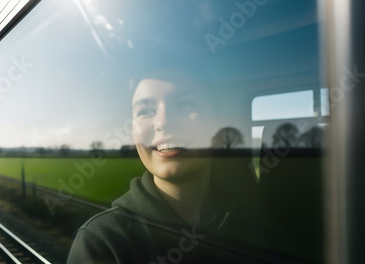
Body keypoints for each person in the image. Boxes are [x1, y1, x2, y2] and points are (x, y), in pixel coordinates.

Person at [66, 73, 266, 263]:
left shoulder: (259, 222)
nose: (163, 122)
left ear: (215, 123)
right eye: (145, 111)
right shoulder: (103, 242)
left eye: (186, 105)